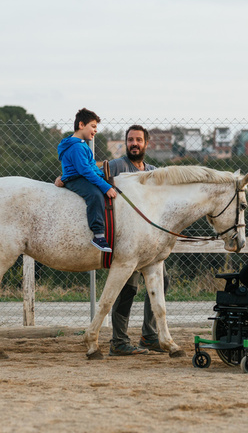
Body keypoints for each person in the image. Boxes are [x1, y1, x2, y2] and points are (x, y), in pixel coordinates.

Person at [56, 125, 168, 356]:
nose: (134, 144)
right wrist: (65, 178)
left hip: (148, 244)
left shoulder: (154, 172)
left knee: (161, 282)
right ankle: (119, 340)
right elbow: (89, 172)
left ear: (147, 143)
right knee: (127, 289)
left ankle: (149, 334)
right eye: (130, 140)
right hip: (126, 242)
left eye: (138, 140)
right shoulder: (116, 166)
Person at [57, 108, 117, 252]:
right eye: (93, 126)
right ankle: (98, 234)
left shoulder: (81, 145)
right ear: (81, 125)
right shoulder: (76, 147)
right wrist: (104, 186)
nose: (95, 130)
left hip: (82, 175)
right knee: (95, 195)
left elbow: (91, 167)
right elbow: (85, 170)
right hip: (76, 178)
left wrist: (104, 178)